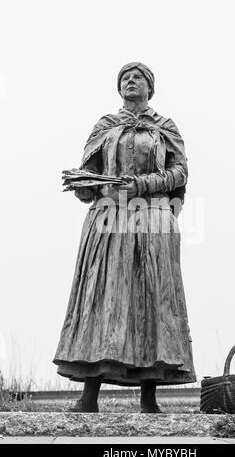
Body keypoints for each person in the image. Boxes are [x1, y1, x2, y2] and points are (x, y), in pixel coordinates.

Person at [53, 62, 196, 413]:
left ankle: (150, 398)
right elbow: (90, 173)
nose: (131, 81)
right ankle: (89, 396)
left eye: (139, 78)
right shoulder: (105, 126)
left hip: (153, 218)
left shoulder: (165, 127)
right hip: (109, 218)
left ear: (150, 88)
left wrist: (145, 184)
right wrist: (87, 184)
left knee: (153, 299)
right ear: (119, 89)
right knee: (104, 297)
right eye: (125, 78)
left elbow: (180, 171)